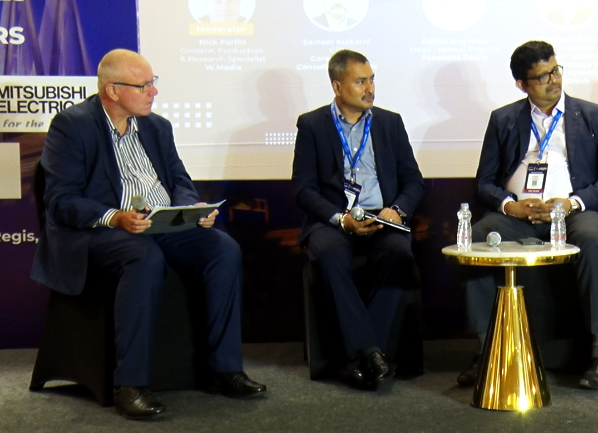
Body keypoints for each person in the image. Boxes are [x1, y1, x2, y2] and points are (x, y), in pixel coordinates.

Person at [32, 49, 266, 420]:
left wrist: (191, 210)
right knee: (142, 256)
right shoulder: (73, 126)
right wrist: (115, 217)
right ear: (112, 90)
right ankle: (130, 385)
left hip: (160, 224)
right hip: (101, 231)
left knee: (223, 249)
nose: (153, 92)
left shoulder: (157, 127)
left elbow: (179, 180)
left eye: (152, 83)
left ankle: (225, 369)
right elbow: (60, 201)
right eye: (143, 86)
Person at [459, 40, 598, 390]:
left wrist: (572, 203)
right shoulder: (503, 119)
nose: (554, 80)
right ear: (522, 84)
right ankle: (485, 351)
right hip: (518, 215)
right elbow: (484, 182)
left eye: (556, 70)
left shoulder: (593, 116)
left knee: (591, 237)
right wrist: (510, 205)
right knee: (477, 237)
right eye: (543, 76)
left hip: (573, 213)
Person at [292, 49, 424, 391]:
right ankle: (371, 352)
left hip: (382, 217)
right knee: (329, 254)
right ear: (338, 86)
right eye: (361, 81)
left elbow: (413, 181)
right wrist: (340, 219)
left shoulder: (389, 122)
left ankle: (360, 356)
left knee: (398, 253)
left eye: (372, 80)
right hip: (334, 220)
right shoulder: (312, 125)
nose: (370, 88)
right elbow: (303, 189)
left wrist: (397, 210)